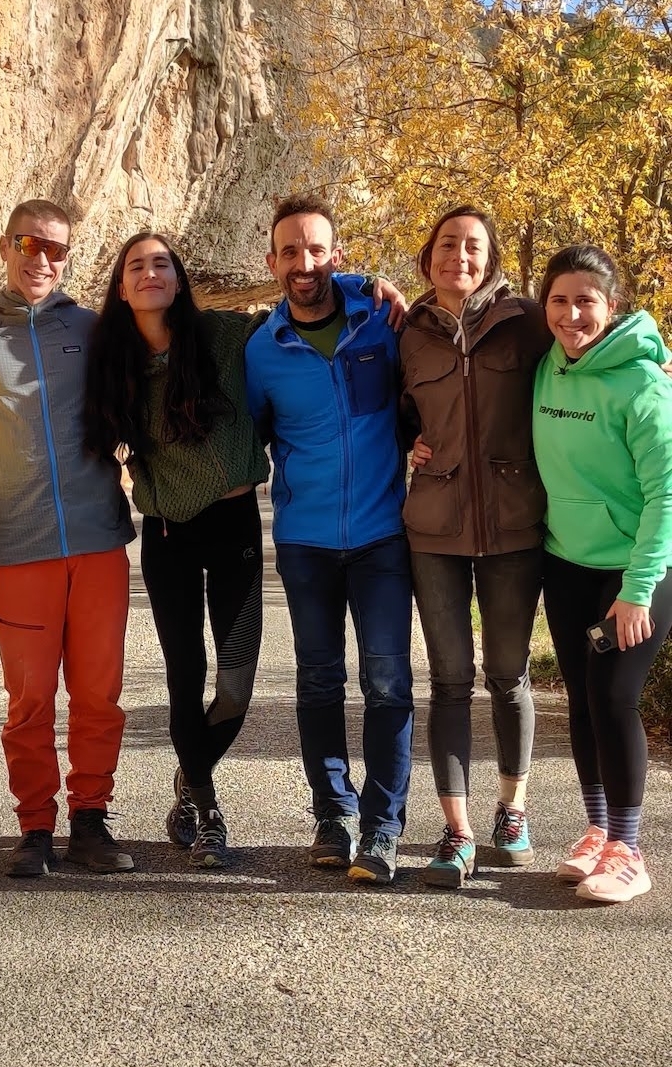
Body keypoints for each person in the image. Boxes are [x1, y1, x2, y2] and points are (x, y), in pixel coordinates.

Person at [0, 200, 137, 878]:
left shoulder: (92, 330)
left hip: (96, 541)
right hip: (17, 543)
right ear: (6, 244)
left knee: (98, 693)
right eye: (29, 244)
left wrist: (362, 285)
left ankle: (90, 818)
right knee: (29, 699)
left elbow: (169, 339)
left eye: (57, 250)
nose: (42, 260)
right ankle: (34, 825)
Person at [83, 232, 271, 868]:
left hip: (236, 526)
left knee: (237, 683)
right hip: (169, 538)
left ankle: (189, 775)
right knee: (185, 677)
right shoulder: (115, 362)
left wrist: (367, 286)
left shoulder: (222, 335)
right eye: (136, 265)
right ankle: (207, 805)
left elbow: (300, 310)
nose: (150, 273)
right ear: (121, 286)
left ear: (179, 278)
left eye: (161, 263)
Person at [244, 193, 415, 886]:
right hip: (306, 542)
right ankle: (333, 814)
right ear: (272, 261)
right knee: (318, 681)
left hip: (381, 537)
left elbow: (430, 386)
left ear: (337, 256)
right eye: (290, 251)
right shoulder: (262, 351)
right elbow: (249, 436)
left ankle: (383, 825)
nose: (303, 262)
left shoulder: (381, 317)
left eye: (316, 249)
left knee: (387, 681)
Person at [399, 206, 553, 888]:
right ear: (429, 255)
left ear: (488, 260)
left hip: (516, 526)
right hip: (434, 527)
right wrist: (409, 438)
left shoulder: (526, 321)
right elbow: (392, 409)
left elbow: (588, 349)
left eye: (472, 246)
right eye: (447, 243)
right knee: (450, 678)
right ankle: (457, 830)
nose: (458, 255)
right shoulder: (408, 331)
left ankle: (512, 810)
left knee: (509, 674)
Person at [534, 244, 672, 904]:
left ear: (611, 307)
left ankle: (630, 850)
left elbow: (666, 495)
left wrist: (637, 588)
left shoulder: (644, 384)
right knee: (585, 700)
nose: (571, 313)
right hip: (567, 569)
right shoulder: (547, 370)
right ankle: (598, 830)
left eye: (585, 299)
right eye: (558, 299)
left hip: (630, 574)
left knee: (614, 696)